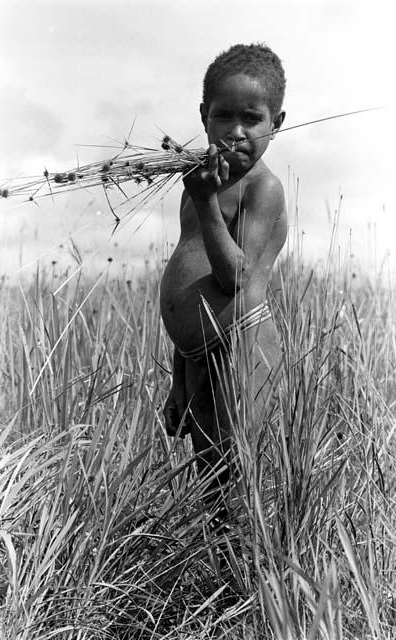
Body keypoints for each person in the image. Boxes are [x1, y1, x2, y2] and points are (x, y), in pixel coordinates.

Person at [160, 43, 287, 512]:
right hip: (199, 353)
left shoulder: (262, 188)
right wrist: (178, 378)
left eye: (252, 119)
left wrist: (206, 201)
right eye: (222, 116)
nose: (236, 132)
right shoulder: (201, 181)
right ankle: (220, 571)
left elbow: (235, 276)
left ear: (278, 122)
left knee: (237, 473)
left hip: (242, 345)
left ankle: (249, 576)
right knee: (209, 476)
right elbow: (192, 282)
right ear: (203, 116)